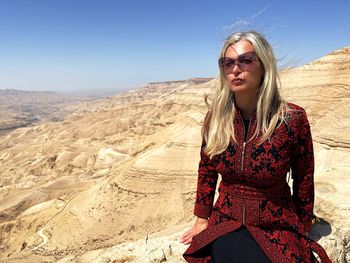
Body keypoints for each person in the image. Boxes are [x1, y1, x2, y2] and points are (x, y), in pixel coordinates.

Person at [179, 31, 332, 263]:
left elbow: (304, 175)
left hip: (276, 222)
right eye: (227, 63)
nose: (235, 69)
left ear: (264, 65)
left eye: (246, 60)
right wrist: (202, 219)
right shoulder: (217, 118)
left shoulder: (291, 118)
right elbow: (207, 169)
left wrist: (303, 224)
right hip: (226, 220)